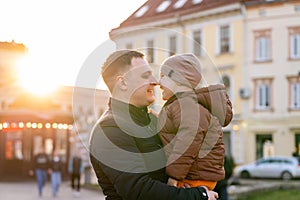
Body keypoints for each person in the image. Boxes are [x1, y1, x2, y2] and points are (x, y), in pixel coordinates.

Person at [89, 49, 218, 200]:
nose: (156, 81)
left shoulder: (154, 120)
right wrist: (199, 195)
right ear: (123, 82)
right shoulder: (109, 129)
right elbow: (138, 190)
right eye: (145, 75)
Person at [157, 53, 233, 190]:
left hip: (193, 178)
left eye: (163, 76)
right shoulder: (184, 104)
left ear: (179, 79)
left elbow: (188, 140)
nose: (158, 83)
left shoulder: (186, 105)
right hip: (193, 175)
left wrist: (174, 176)